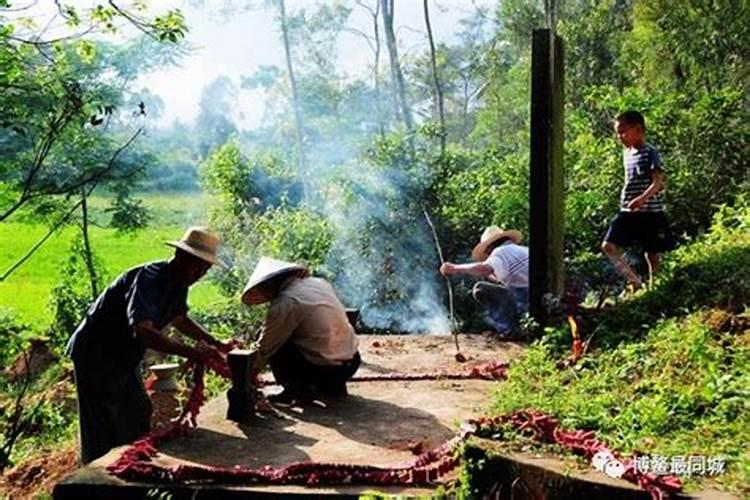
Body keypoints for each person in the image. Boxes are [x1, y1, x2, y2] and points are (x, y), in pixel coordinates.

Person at [65, 227, 228, 464]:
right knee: (100, 420)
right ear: (181, 257)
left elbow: (179, 319)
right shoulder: (149, 279)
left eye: (205, 269)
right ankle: (94, 477)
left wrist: (216, 342)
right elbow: (144, 332)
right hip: (96, 353)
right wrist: (191, 352)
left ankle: (130, 462)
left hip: (123, 356)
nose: (200, 274)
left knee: (137, 410)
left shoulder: (180, 282)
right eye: (198, 266)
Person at [241, 257, 360, 404]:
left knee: (274, 340)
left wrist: (246, 372)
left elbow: (266, 346)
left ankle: (296, 389)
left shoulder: (286, 301)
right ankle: (333, 387)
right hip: (352, 362)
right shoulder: (319, 283)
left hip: (324, 370)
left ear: (271, 284)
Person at [602, 110, 674, 291]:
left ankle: (655, 287)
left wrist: (642, 199)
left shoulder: (651, 153)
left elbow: (658, 183)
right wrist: (631, 201)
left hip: (650, 212)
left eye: (623, 131)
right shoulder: (626, 153)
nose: (620, 136)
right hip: (628, 211)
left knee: (652, 253)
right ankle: (634, 280)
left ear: (638, 129)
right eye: (618, 132)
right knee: (608, 246)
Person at [441, 226, 528, 338]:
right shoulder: (522, 250)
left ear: (489, 247)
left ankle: (510, 330)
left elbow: (484, 269)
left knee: (480, 288)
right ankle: (522, 327)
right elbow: (499, 276)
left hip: (525, 300)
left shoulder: (500, 252)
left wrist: (454, 268)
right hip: (535, 300)